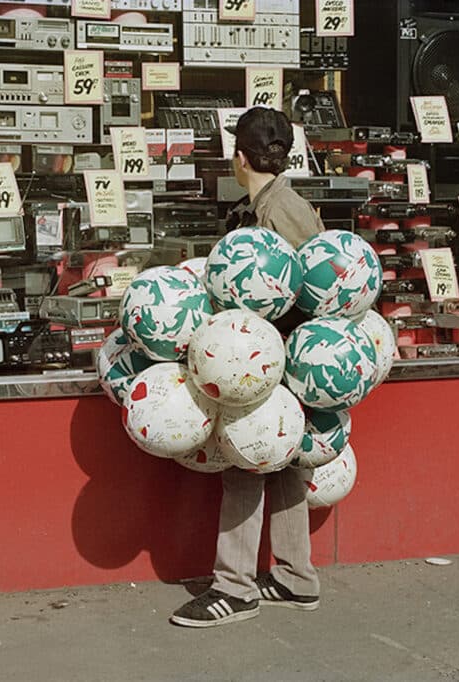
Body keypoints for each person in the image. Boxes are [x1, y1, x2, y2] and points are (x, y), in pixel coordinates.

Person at [170, 108, 325, 628]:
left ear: (240, 158)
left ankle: (234, 587)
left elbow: (312, 292)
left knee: (244, 463)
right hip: (281, 359)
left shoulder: (280, 212)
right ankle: (295, 577)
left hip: (271, 363)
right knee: (282, 469)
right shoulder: (277, 204)